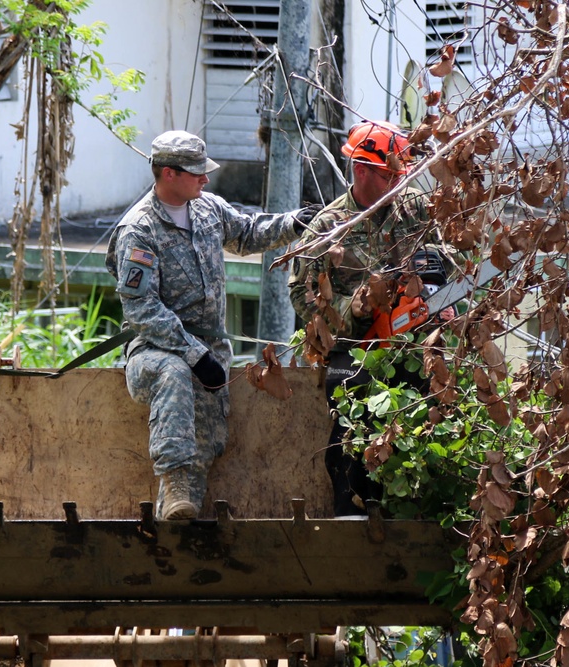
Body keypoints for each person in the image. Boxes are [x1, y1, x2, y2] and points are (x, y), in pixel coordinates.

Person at [106, 130, 318, 521]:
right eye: (196, 173)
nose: (205, 179)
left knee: (206, 448)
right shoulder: (138, 230)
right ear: (168, 174)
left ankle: (180, 527)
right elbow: (141, 310)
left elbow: (247, 234)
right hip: (155, 350)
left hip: (210, 356)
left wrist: (294, 223)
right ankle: (173, 490)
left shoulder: (208, 208)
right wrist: (192, 353)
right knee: (172, 375)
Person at [288, 120, 455, 516]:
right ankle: (351, 508)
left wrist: (437, 265)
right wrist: (355, 309)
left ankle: (424, 508)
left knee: (432, 391)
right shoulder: (329, 226)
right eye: (388, 175)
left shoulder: (414, 208)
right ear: (361, 170)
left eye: (401, 173)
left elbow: (455, 249)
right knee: (353, 398)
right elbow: (301, 294)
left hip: (411, 338)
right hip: (354, 344)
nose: (398, 181)